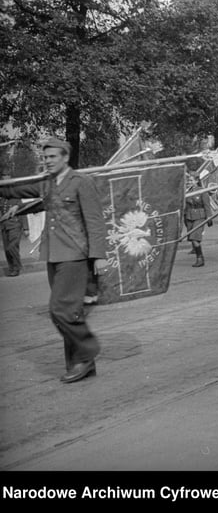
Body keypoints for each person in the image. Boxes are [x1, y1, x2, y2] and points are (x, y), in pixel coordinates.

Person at [0, 138, 106, 383]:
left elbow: (95, 220)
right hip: (53, 255)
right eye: (45, 157)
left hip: (75, 255)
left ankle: (88, 351)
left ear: (65, 157)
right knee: (69, 312)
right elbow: (14, 190)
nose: (47, 161)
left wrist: (99, 256)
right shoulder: (46, 183)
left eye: (52, 157)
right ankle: (81, 364)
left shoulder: (81, 182)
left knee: (60, 310)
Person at [183, 171, 214, 267]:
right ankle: (196, 252)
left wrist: (209, 217)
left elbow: (207, 205)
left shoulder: (202, 191)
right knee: (192, 238)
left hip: (200, 217)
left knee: (195, 238)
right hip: (189, 217)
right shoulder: (186, 191)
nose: (189, 182)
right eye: (188, 180)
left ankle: (200, 259)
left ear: (196, 181)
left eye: (191, 180)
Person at [1, 170, 27, 276]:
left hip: (15, 225)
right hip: (4, 226)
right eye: (4, 176)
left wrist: (26, 228)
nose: (5, 178)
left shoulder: (16, 195)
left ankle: (17, 267)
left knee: (12, 247)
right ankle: (11, 267)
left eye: (7, 176)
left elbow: (23, 210)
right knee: (7, 249)